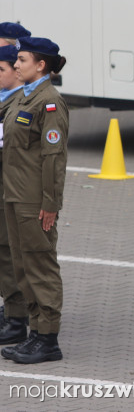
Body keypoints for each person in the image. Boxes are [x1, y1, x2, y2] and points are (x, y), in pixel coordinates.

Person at [1, 37, 68, 364]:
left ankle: (47, 338)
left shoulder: (49, 102)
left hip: (33, 200)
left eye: (22, 60)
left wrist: (50, 204)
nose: (16, 65)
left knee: (40, 265)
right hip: (14, 196)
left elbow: (53, 158)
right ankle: (32, 333)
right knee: (22, 266)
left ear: (40, 65)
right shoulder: (22, 98)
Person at [0, 45, 28, 346]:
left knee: (10, 253)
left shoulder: (24, 104)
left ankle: (19, 319)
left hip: (13, 190)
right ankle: (12, 310)